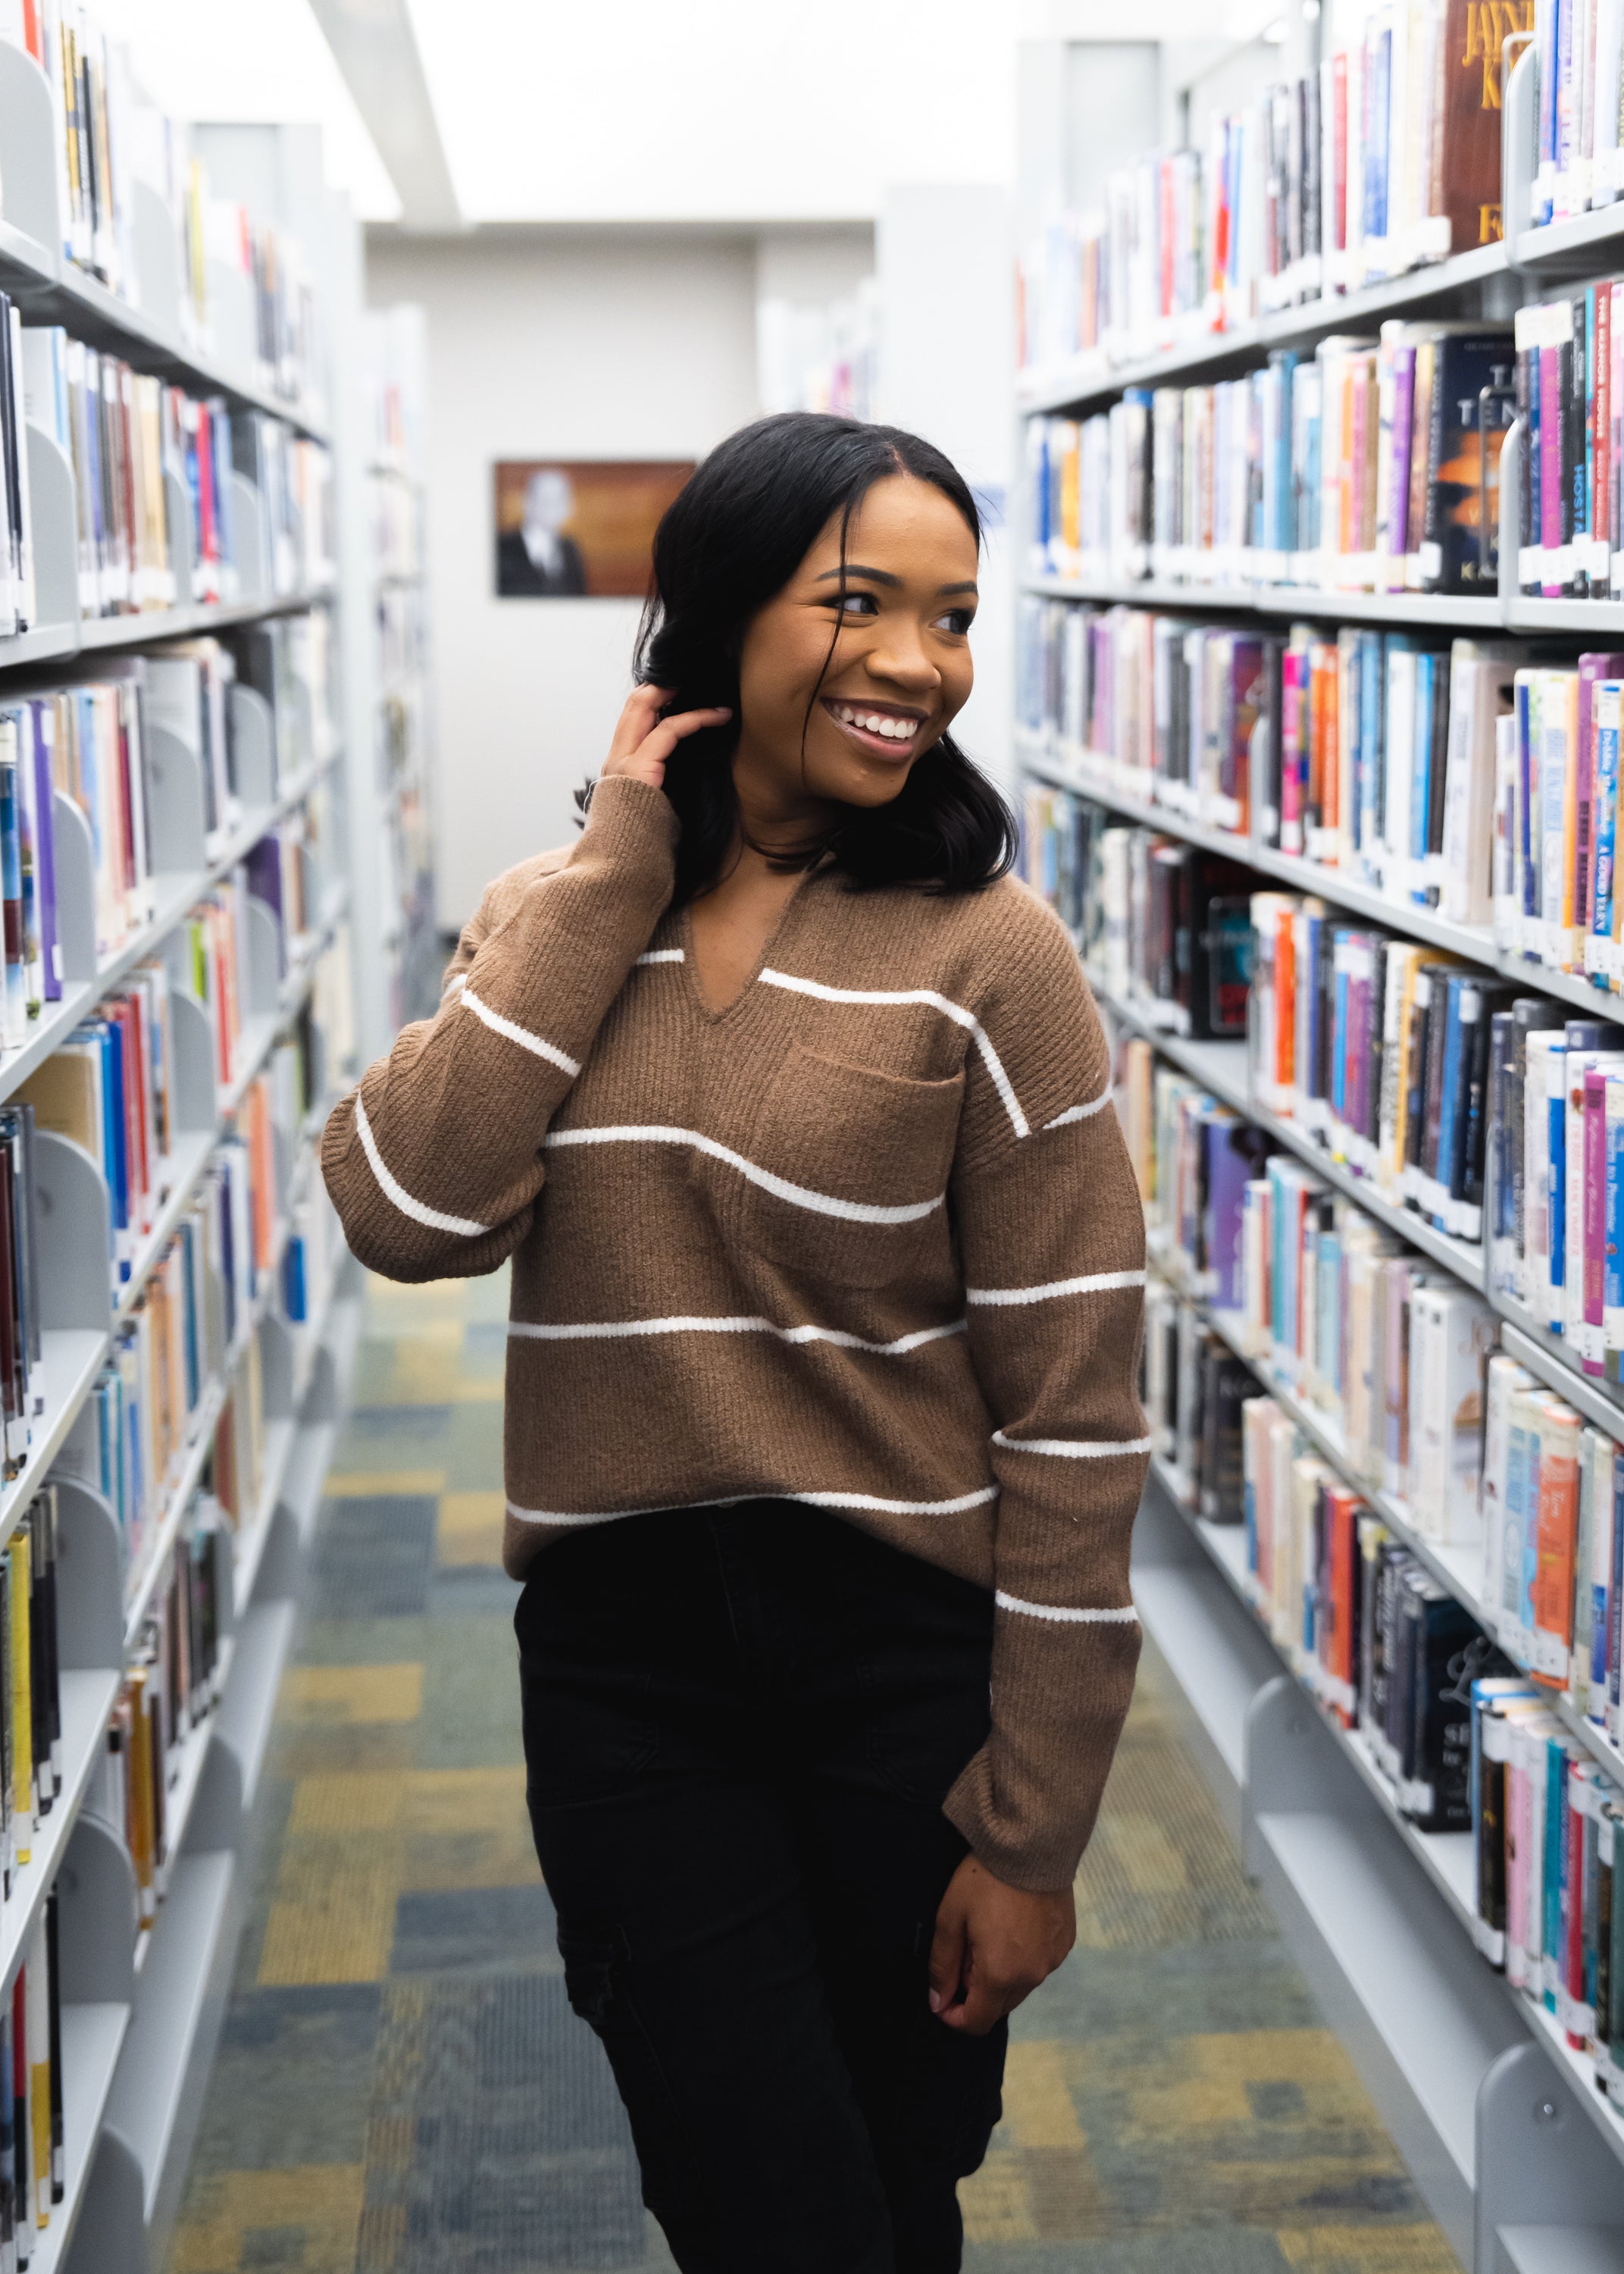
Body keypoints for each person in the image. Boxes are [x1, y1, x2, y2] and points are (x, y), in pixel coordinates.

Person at [322, 411, 1148, 2274]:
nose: (920, 663)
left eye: (953, 615)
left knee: (890, 2173)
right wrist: (612, 876)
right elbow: (405, 1208)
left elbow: (1078, 1416)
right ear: (716, 611)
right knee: (753, 2195)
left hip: (896, 1656)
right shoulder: (555, 920)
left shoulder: (990, 953)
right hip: (631, 1668)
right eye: (860, 602)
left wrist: (1037, 1829)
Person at [497, 465, 589, 595]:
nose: (554, 507)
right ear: (527, 502)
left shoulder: (571, 549)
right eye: (546, 498)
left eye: (560, 499)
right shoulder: (500, 548)